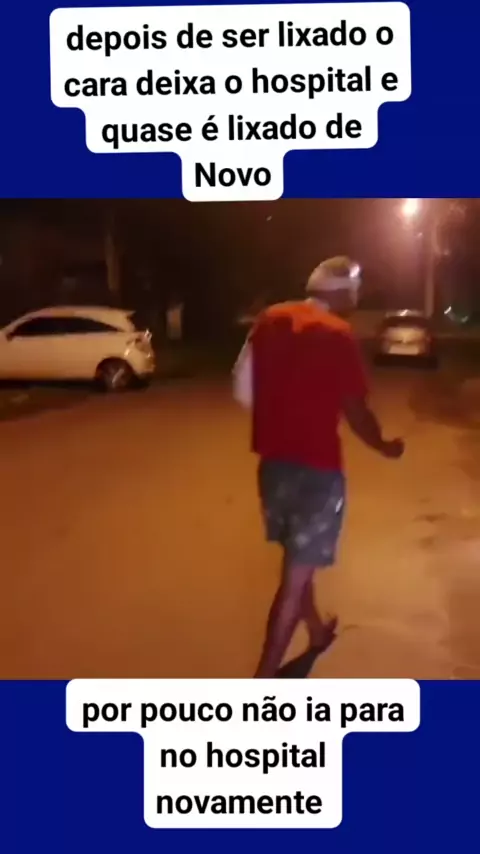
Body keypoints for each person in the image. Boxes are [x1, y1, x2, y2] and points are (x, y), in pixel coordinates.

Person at [232, 256, 404, 678]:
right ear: (342, 291)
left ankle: (316, 632)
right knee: (295, 578)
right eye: (355, 291)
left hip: (273, 466)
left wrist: (278, 416)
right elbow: (356, 410)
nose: (357, 299)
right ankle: (262, 682)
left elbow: (242, 388)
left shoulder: (270, 319)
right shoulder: (337, 334)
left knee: (298, 558)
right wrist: (384, 446)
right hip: (317, 472)